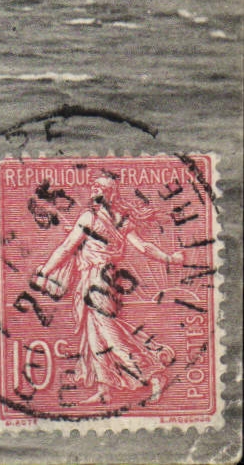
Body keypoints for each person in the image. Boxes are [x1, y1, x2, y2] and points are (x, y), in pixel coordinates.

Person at [32, 172, 184, 405]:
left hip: (98, 280)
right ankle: (105, 388)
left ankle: (154, 374)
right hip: (102, 280)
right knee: (95, 335)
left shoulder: (90, 219)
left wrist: (45, 272)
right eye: (93, 187)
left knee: (109, 334)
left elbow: (66, 249)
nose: (93, 191)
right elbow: (143, 246)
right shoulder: (120, 219)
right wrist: (170, 258)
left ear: (110, 193)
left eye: (98, 187)